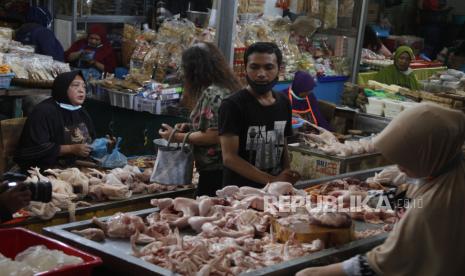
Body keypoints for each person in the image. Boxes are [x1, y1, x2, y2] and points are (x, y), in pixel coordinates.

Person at [296, 103, 465, 276]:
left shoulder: (435, 207)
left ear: (427, 154)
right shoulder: (446, 170)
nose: (399, 168)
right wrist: (361, 197)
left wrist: (320, 273)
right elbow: (409, 196)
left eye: (406, 160)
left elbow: (386, 264)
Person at [158, 42, 241, 196]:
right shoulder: (227, 86)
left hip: (217, 169)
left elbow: (215, 135)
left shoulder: (214, 92)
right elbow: (218, 123)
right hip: (225, 167)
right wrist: (191, 127)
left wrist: (176, 137)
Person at [218, 42, 300, 188]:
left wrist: (286, 172)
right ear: (245, 69)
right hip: (240, 193)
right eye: (254, 67)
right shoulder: (232, 105)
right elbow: (229, 158)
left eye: (269, 67)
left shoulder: (284, 102)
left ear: (279, 69)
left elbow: (283, 143)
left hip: (275, 189)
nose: (261, 74)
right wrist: (272, 180)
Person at [15, 71, 96, 171]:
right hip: (45, 169)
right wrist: (71, 149)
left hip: (76, 166)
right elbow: (36, 148)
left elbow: (89, 139)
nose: (81, 90)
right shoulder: (44, 112)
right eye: (76, 85)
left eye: (84, 86)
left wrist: (101, 144)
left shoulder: (81, 112)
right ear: (62, 88)